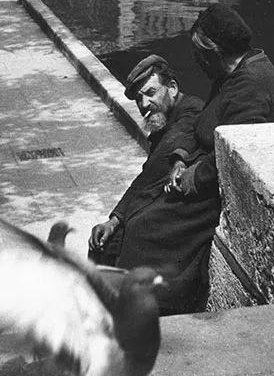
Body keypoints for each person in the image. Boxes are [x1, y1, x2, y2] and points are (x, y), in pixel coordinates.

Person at [88, 55, 211, 314]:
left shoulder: (191, 111)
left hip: (192, 208)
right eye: (138, 99)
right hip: (168, 196)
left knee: (136, 232)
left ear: (172, 88)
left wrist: (118, 221)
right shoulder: (165, 118)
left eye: (151, 93)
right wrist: (114, 220)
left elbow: (173, 149)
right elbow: (148, 175)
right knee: (106, 240)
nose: (144, 105)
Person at [165, 3, 274, 202]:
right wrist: (180, 158)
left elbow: (233, 151)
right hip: (203, 168)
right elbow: (201, 123)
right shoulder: (228, 73)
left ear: (213, 52)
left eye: (199, 54)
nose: (198, 62)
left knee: (149, 217)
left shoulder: (250, 83)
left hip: (215, 187)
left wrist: (190, 178)